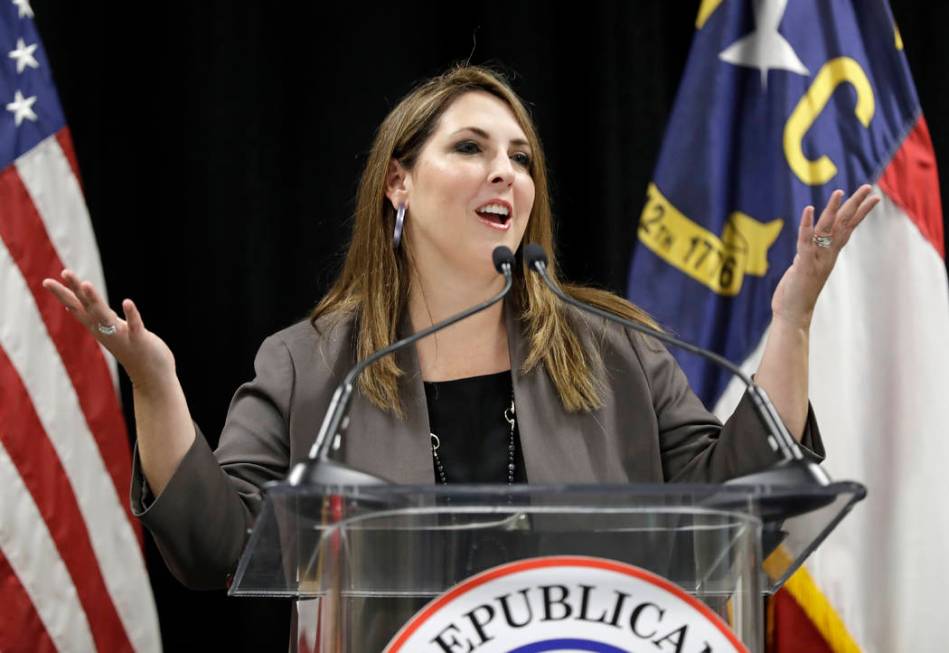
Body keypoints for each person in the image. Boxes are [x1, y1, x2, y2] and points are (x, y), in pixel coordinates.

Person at [42, 66, 878, 592]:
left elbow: (731, 500)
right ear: (397, 183)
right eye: (471, 147)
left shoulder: (615, 350)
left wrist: (791, 321)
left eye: (519, 157)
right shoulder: (305, 362)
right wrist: (154, 385)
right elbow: (216, 544)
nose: (504, 172)